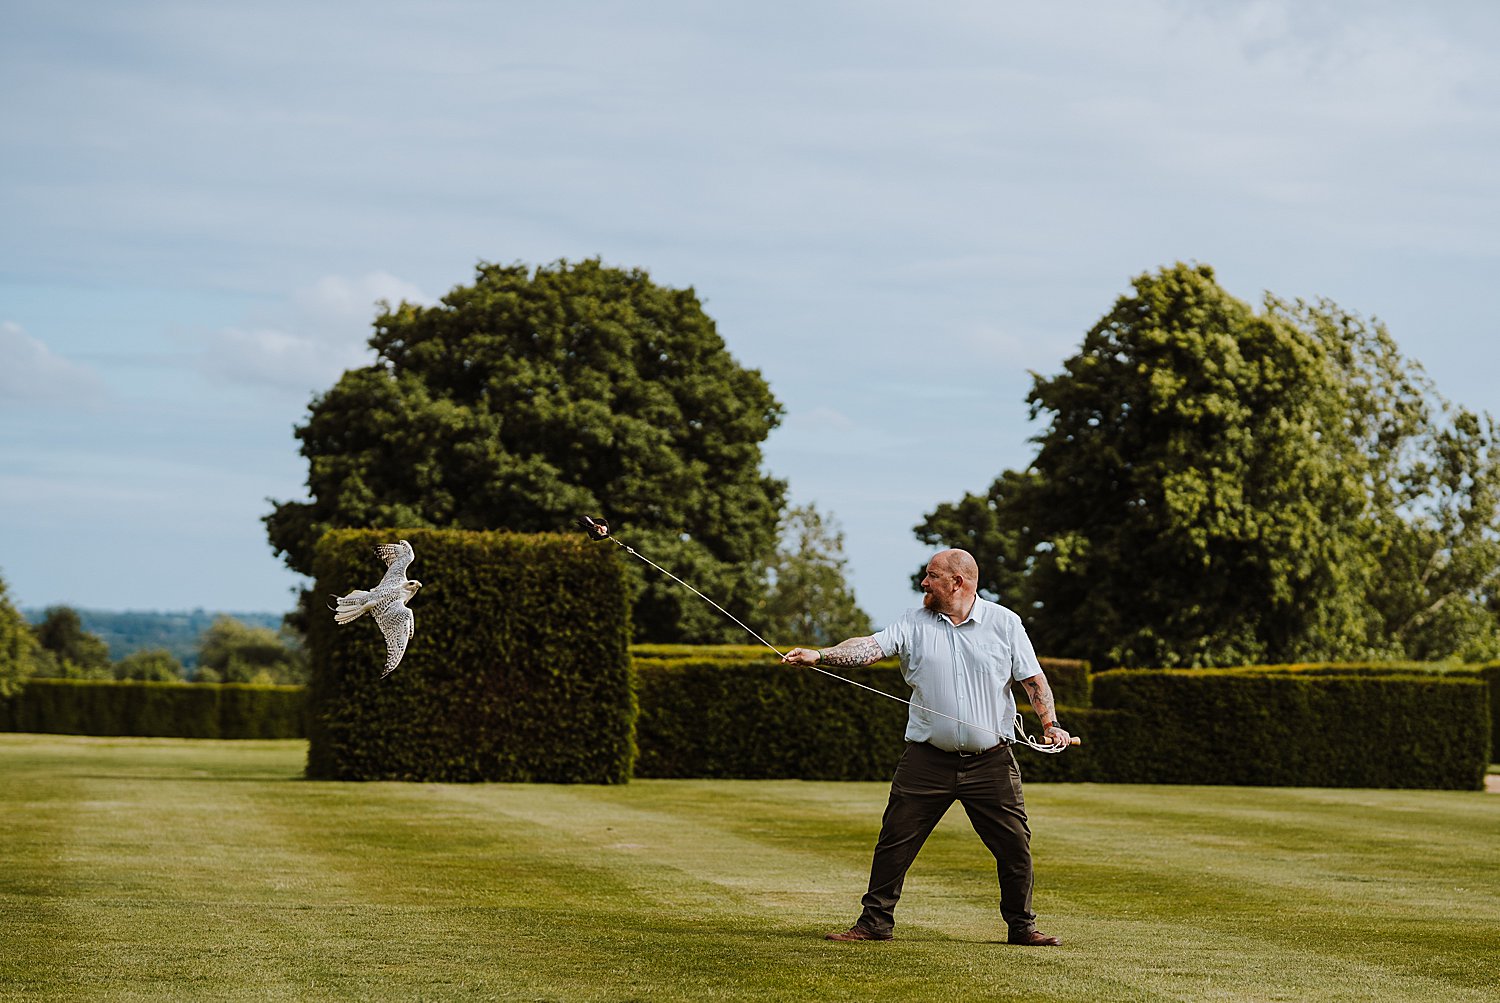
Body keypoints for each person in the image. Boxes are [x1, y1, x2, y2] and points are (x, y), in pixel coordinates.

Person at [781, 548, 1071, 946]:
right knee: (894, 842)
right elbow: (871, 647)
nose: (924, 582)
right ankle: (874, 924)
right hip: (926, 760)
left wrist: (1051, 725)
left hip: (991, 762)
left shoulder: (1005, 623)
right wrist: (821, 655)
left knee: (1015, 846)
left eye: (932, 575)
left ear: (958, 582)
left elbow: (1033, 680)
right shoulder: (913, 622)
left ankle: (1022, 928)